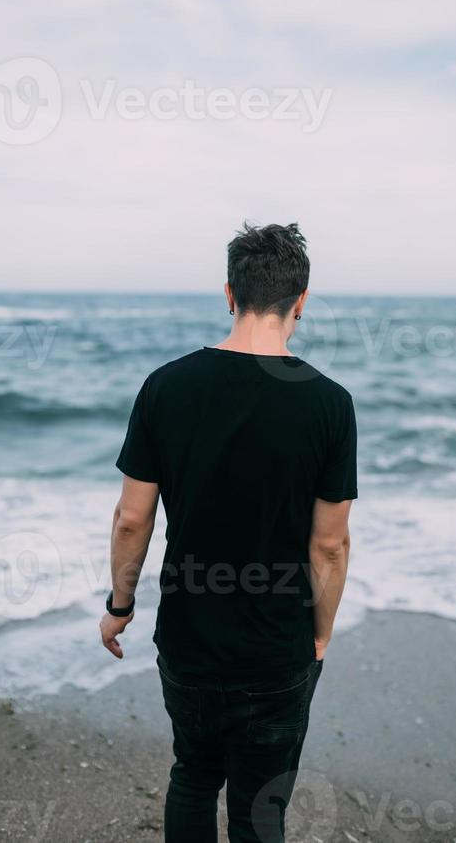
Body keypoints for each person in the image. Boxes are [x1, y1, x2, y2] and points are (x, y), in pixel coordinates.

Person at [100, 222, 357, 843]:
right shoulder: (329, 402)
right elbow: (330, 543)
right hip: (278, 648)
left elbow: (132, 519)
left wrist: (120, 605)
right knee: (259, 806)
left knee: (193, 776)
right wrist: (319, 634)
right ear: (301, 301)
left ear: (228, 293)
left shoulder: (165, 386)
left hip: (189, 638)